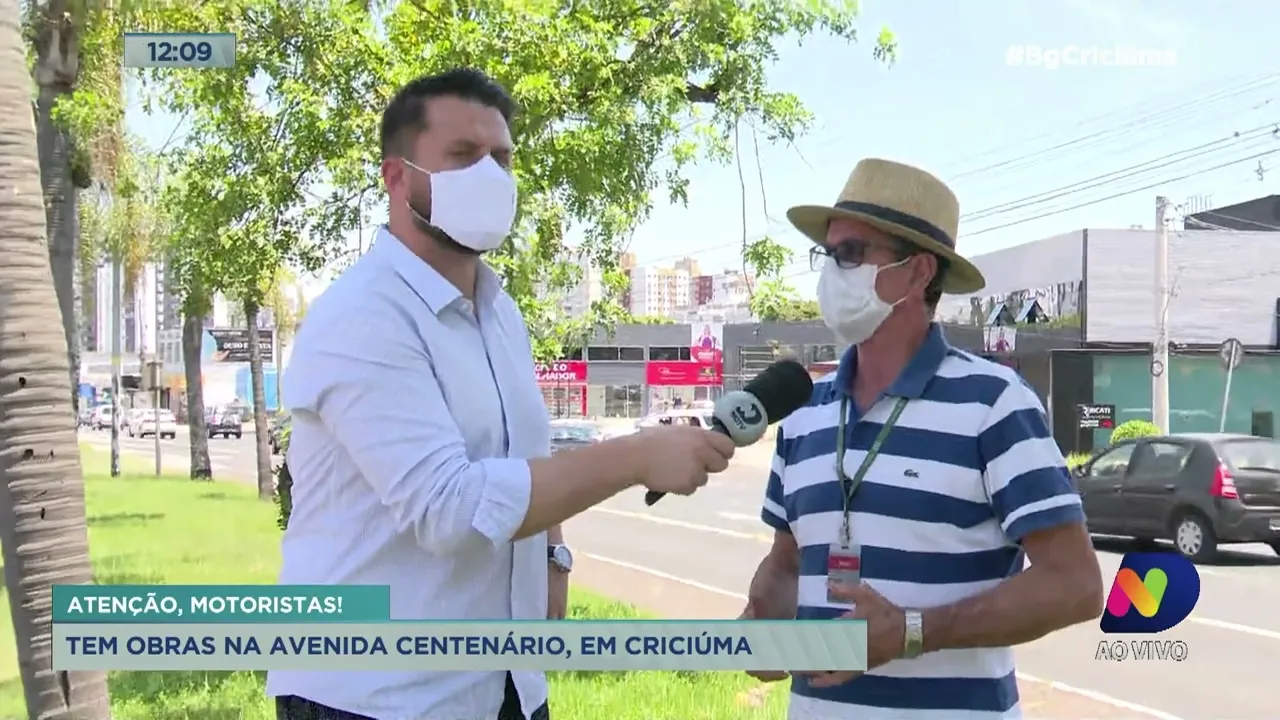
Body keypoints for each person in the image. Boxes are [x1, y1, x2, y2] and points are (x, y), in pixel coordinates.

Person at [265, 68, 737, 720]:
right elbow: (449, 508)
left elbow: (523, 453)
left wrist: (554, 556)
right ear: (397, 178)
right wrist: (635, 457)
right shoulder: (363, 316)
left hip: (505, 685)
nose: (490, 176)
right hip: (377, 696)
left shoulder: (499, 311)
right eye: (463, 156)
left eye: (502, 158)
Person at [739, 158, 1104, 719]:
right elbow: (787, 565)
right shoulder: (805, 411)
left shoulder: (996, 404)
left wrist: (913, 631)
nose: (832, 272)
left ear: (917, 273)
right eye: (829, 253)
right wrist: (763, 628)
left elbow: (1075, 584)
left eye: (852, 253)